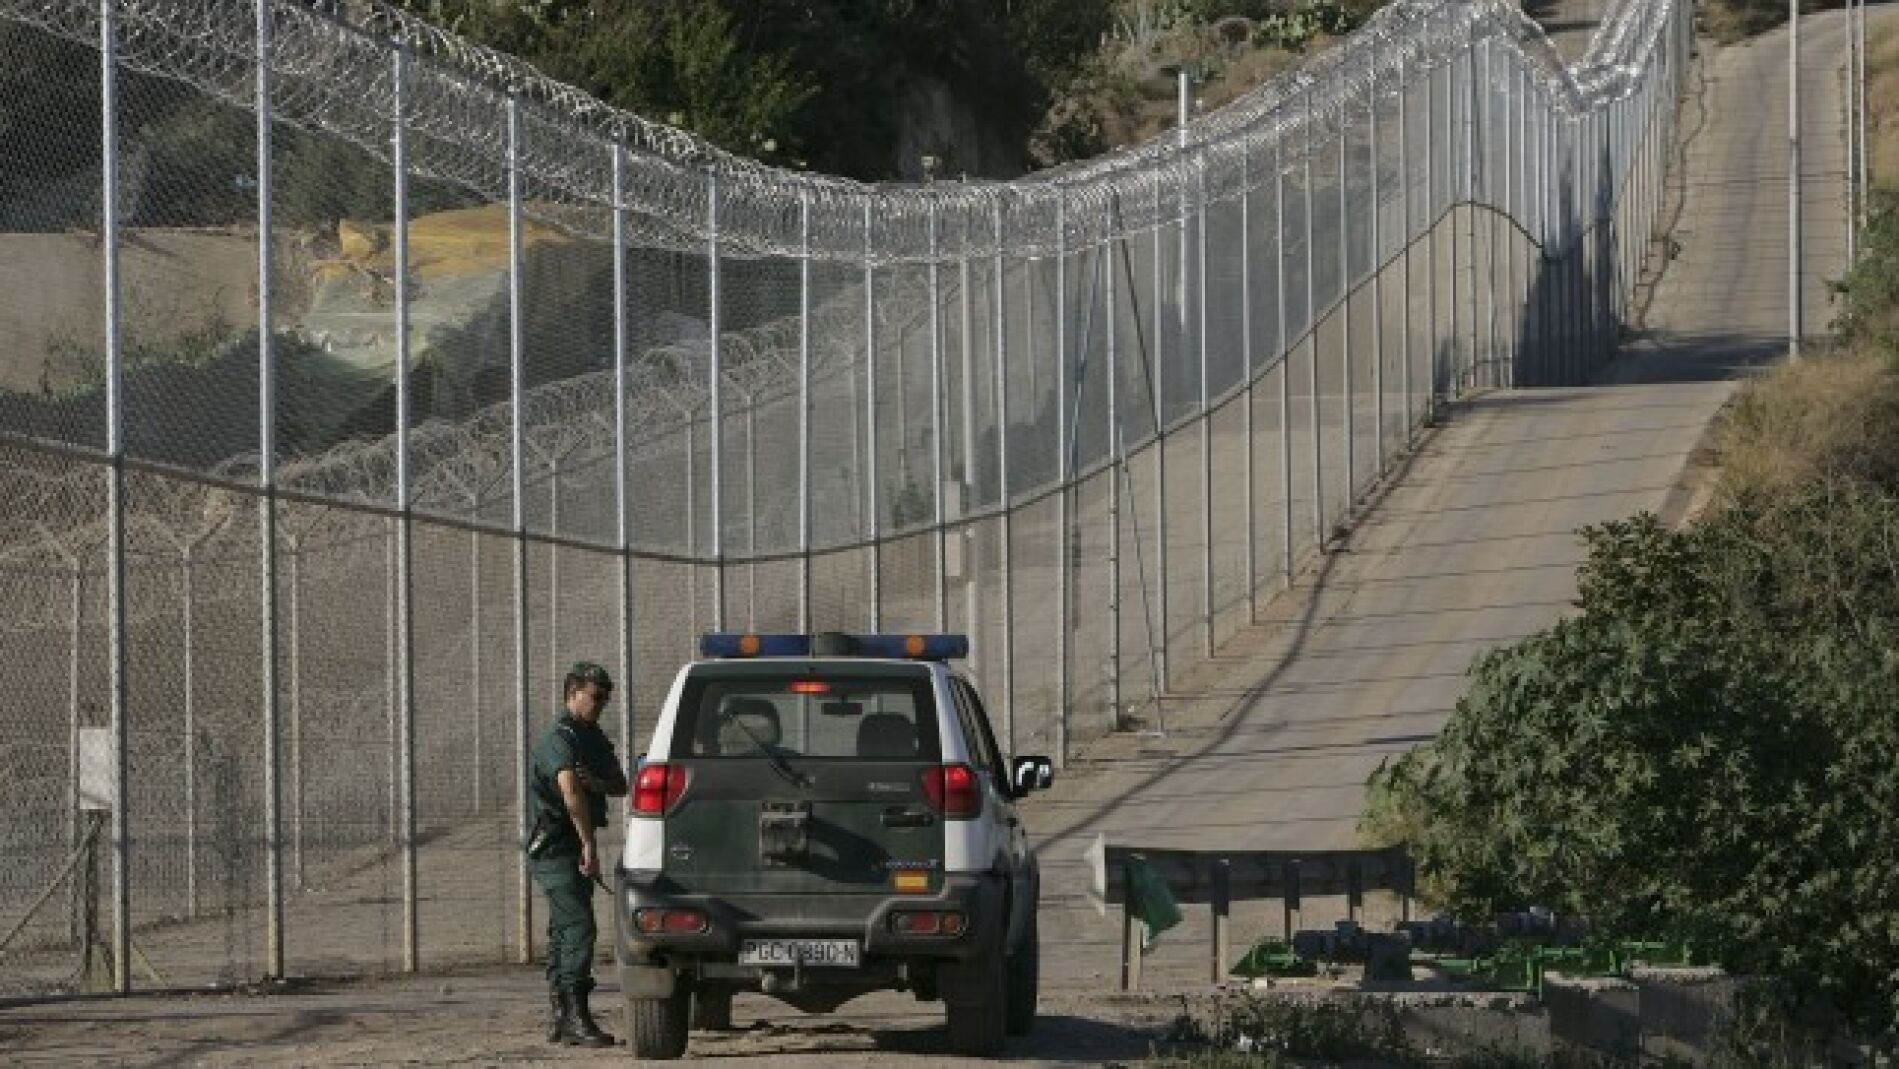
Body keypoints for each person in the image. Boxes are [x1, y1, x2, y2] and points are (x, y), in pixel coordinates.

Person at [527, 661, 629, 1047]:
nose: (601, 703)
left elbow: (619, 784)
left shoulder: (592, 735)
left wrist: (597, 782)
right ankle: (574, 1014)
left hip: (572, 844)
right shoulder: (560, 737)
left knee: (565, 929)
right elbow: (570, 792)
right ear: (573, 694)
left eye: (605, 697)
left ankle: (560, 1017)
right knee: (578, 929)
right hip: (556, 845)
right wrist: (589, 844)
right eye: (595, 696)